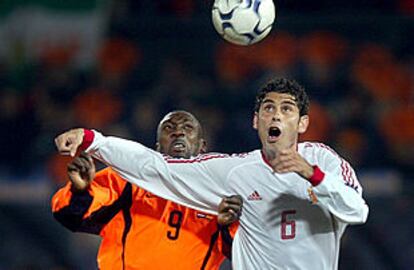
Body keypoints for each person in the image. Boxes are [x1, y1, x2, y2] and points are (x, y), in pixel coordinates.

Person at [55, 78, 369, 269]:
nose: (276, 114)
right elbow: (154, 167)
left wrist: (312, 175)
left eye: (286, 109)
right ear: (255, 121)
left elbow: (356, 210)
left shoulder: (324, 161)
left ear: (302, 123)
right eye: (268, 109)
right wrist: (93, 140)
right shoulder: (234, 172)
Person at [51, 111, 242, 270]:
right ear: (157, 147)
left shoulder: (219, 194)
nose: (178, 133)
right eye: (169, 128)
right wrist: (80, 191)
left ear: (202, 147)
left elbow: (245, 256)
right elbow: (68, 216)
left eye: (187, 128)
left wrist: (227, 226)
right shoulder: (126, 179)